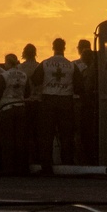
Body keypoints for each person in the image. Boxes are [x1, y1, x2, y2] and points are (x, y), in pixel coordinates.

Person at [31, 37, 80, 173]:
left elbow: (35, 80)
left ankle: (46, 165)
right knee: (66, 134)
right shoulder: (71, 65)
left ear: (53, 47)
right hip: (66, 101)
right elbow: (79, 86)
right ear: (64, 48)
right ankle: (67, 165)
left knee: (46, 134)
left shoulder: (45, 64)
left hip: (48, 101)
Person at [0, 53, 31, 175]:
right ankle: (22, 167)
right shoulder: (24, 75)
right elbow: (27, 93)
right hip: (21, 107)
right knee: (20, 139)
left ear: (7, 62)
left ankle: (8, 168)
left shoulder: (4, 75)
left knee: (7, 139)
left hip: (7, 108)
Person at [18, 43, 42, 167]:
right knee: (38, 133)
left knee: (25, 133)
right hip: (38, 103)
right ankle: (38, 159)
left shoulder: (20, 68)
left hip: (25, 103)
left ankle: (26, 160)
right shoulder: (40, 67)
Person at [77, 48, 98, 165]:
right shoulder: (91, 70)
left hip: (89, 106)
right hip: (89, 105)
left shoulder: (92, 71)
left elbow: (88, 88)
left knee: (88, 134)